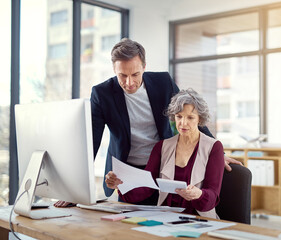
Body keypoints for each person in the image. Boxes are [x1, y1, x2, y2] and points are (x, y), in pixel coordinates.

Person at [55, 38, 239, 207]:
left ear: (144, 66)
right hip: (126, 171)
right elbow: (91, 141)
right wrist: (73, 190)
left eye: (135, 74)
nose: (129, 83)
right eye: (122, 76)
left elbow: (190, 112)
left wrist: (215, 151)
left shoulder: (163, 82)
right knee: (127, 225)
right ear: (114, 70)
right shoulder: (102, 94)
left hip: (162, 166)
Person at [105, 89, 224, 218]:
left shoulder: (214, 147)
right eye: (179, 116)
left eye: (190, 117)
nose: (183, 123)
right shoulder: (162, 146)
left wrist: (199, 194)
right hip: (165, 217)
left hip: (199, 218)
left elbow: (212, 195)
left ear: (200, 119)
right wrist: (121, 184)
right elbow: (147, 187)